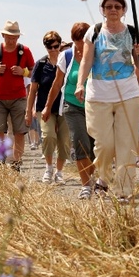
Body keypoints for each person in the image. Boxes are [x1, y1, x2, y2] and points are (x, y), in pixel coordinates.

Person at [75, 0, 139, 203]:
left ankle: (124, 190)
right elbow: (86, 61)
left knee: (127, 144)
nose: (113, 10)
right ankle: (104, 177)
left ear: (123, 10)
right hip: (99, 94)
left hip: (128, 94)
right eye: (108, 6)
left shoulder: (133, 33)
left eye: (117, 6)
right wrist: (80, 83)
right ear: (102, 10)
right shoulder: (94, 32)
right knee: (105, 144)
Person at [42, 22, 97, 199]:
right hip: (73, 106)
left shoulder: (98, 53)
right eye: (76, 41)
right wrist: (47, 107)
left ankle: (93, 177)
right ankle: (86, 185)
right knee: (80, 144)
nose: (80, 45)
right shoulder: (66, 56)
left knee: (95, 149)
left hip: (95, 106)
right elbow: (57, 84)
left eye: (83, 40)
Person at [0, 20, 36, 172]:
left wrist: (23, 71)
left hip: (18, 97)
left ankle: (16, 163)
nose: (12, 40)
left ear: (18, 37)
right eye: (9, 36)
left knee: (20, 131)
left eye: (15, 37)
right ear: (3, 35)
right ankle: (0, 160)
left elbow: (34, 72)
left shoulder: (25, 51)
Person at [27, 31, 71, 185]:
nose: (52, 49)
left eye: (55, 46)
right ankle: (48, 167)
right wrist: (29, 111)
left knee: (64, 140)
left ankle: (59, 172)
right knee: (49, 136)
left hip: (65, 106)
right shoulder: (40, 64)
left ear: (60, 45)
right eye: (49, 47)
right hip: (44, 108)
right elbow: (33, 90)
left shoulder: (67, 61)